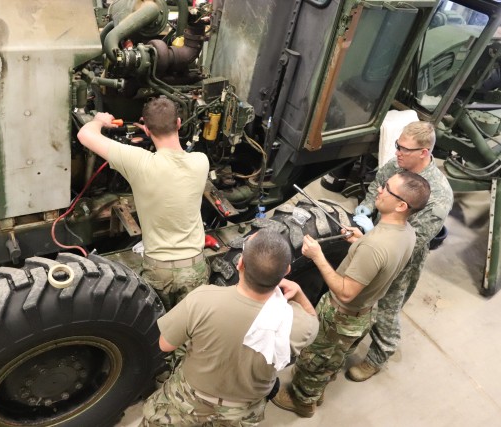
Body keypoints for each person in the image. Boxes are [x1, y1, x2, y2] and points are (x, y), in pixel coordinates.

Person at [272, 171, 431, 417]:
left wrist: (318, 256)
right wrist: (359, 241)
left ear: (401, 205)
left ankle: (302, 401)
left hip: (341, 316)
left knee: (314, 360)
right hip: (364, 311)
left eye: (387, 189)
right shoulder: (406, 232)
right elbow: (380, 260)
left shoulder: (375, 246)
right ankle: (317, 388)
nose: (379, 190)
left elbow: (346, 293)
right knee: (330, 360)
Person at [140, 229, 319, 426]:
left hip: (188, 401)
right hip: (243, 412)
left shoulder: (203, 299)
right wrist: (299, 293)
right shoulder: (296, 322)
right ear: (286, 271)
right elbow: (313, 321)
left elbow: (165, 345)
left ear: (240, 263)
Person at [77, 97, 210, 310]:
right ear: (178, 123)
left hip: (158, 272)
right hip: (194, 268)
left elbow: (85, 135)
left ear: (146, 130)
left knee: (158, 333)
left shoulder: (139, 162)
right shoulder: (201, 161)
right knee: (190, 334)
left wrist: (100, 120)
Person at [347, 121, 454, 381]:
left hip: (402, 258)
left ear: (424, 152)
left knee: (386, 307)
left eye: (404, 149)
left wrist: (371, 235)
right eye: (397, 146)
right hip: (373, 240)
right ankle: (351, 335)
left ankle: (378, 355)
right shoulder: (399, 165)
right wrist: (367, 206)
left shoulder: (439, 195)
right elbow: (376, 186)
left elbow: (412, 241)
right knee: (359, 296)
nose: (397, 153)